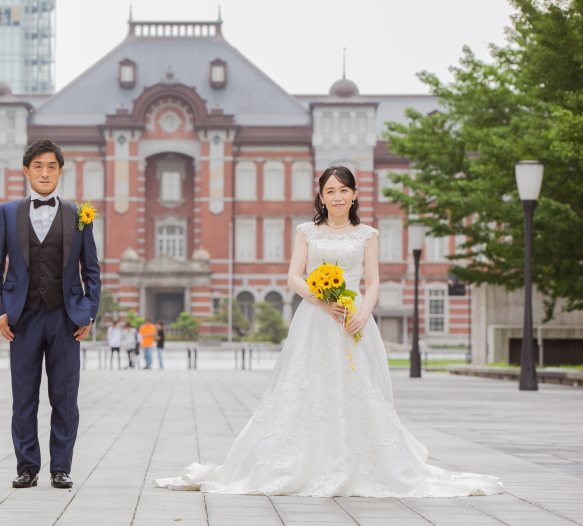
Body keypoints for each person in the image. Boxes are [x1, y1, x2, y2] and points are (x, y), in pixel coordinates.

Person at [154, 166, 502, 497]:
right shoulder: (307, 232)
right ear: (321, 196)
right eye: (330, 191)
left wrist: (362, 315)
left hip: (353, 320)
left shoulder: (367, 235)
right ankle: (296, 462)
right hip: (314, 321)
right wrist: (321, 301)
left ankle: (362, 462)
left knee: (358, 388)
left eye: (344, 190)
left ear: (354, 195)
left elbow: (374, 281)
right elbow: (293, 276)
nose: (337, 197)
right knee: (305, 387)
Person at [0, 139, 101, 490]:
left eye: (51, 166)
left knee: (65, 398)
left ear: (60, 171)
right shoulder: (7, 212)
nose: (45, 172)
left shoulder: (79, 214)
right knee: (23, 397)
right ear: (26, 171)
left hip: (66, 318)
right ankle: (27, 467)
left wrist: (89, 314)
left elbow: (92, 269)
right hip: (22, 318)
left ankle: (61, 468)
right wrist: (0, 312)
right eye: (38, 166)